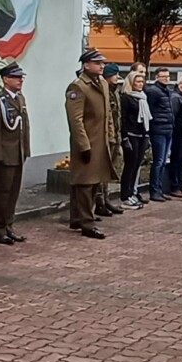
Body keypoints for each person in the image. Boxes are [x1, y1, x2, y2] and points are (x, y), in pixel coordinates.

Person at [65, 50, 115, 239]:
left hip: (100, 141)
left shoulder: (102, 83)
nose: (102, 66)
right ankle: (87, 223)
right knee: (85, 183)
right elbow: (75, 120)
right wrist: (84, 145)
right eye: (97, 63)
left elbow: (107, 113)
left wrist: (111, 136)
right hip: (87, 142)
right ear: (86, 65)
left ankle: (79, 218)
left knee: (95, 181)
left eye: (102, 63)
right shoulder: (78, 87)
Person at [0, 63, 30, 245]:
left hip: (17, 154)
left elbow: (24, 127)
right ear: (5, 79)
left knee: (13, 193)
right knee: (2, 194)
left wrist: (26, 150)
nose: (20, 80)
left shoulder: (20, 98)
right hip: (4, 155)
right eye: (16, 77)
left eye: (21, 77)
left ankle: (9, 226)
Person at [145, 68, 180, 202]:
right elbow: (151, 111)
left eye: (168, 76)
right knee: (158, 162)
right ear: (157, 77)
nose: (166, 78)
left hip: (168, 129)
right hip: (158, 130)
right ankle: (154, 190)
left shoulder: (167, 91)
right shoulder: (153, 91)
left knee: (163, 161)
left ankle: (159, 189)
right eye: (163, 76)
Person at [97, 64, 127, 217]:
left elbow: (117, 116)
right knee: (101, 171)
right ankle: (100, 201)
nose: (117, 78)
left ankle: (106, 198)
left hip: (115, 135)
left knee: (109, 171)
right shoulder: (103, 91)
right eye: (114, 75)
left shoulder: (115, 91)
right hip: (105, 136)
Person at [120, 70, 152, 209]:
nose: (140, 84)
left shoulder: (143, 97)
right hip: (131, 134)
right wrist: (125, 137)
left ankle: (132, 192)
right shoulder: (126, 98)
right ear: (131, 83)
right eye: (137, 82)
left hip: (142, 134)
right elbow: (123, 118)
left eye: (141, 82)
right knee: (130, 165)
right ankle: (125, 195)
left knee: (137, 165)